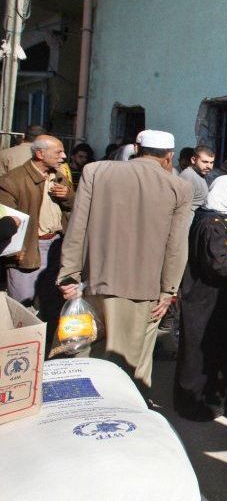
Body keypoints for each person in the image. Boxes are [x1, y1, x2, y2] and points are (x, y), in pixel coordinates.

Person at [57, 129, 192, 396]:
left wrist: (68, 274)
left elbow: (77, 227)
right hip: (145, 289)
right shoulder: (179, 187)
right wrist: (168, 291)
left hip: (94, 280)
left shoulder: (96, 171)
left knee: (86, 352)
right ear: (169, 157)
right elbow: (176, 246)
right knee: (134, 364)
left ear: (137, 149)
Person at [173, 175, 227, 421]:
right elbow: (221, 265)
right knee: (202, 354)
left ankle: (223, 397)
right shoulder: (212, 224)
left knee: (218, 350)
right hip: (207, 300)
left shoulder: (218, 220)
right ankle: (198, 405)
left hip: (218, 300)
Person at [0, 135, 75, 344]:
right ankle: (21, 355)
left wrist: (67, 196)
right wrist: (14, 252)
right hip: (29, 250)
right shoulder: (12, 181)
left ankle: (45, 355)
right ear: (40, 154)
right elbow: (6, 220)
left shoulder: (59, 177)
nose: (64, 156)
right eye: (58, 152)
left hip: (56, 247)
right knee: (24, 310)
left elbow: (75, 207)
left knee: (53, 307)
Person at [179, 145, 215, 212]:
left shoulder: (200, 174)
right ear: (193, 160)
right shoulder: (188, 177)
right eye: (205, 162)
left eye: (211, 162)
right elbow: (180, 208)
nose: (209, 166)